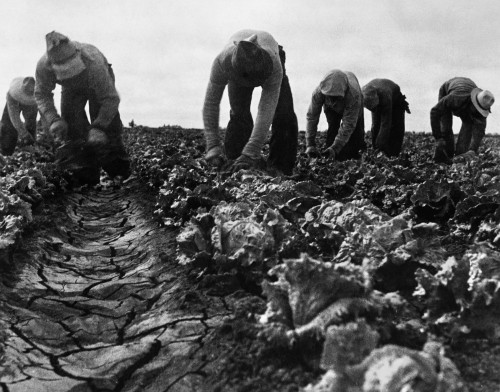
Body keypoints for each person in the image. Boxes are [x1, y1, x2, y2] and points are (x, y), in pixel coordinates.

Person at [35, 31, 130, 185]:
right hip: (70, 89)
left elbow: (110, 99)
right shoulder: (43, 66)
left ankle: (120, 173)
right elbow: (42, 94)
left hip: (96, 85)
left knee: (108, 128)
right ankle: (85, 176)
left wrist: (99, 127)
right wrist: (53, 119)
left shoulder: (94, 61)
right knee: (72, 127)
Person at [202, 29, 298, 175]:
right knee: (239, 114)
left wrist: (251, 151)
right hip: (237, 64)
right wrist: (213, 145)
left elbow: (266, 108)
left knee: (284, 114)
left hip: (270, 58)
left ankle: (280, 168)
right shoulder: (222, 62)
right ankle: (235, 162)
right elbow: (211, 103)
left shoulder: (274, 66)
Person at [430, 77, 494, 163]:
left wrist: (472, 150)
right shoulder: (455, 98)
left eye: (480, 111)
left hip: (466, 93)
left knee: (468, 125)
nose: (478, 113)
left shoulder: (483, 105)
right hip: (448, 90)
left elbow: (480, 131)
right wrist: (438, 137)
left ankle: (458, 157)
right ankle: (444, 158)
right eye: (477, 109)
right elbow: (434, 112)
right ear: (473, 102)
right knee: (446, 128)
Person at [305, 69, 366, 161]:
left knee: (356, 133)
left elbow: (349, 124)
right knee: (333, 127)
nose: (333, 102)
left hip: (352, 103)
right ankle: (330, 155)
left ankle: (354, 158)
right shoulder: (318, 92)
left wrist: (336, 147)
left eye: (335, 97)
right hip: (330, 108)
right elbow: (312, 117)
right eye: (329, 96)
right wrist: (310, 144)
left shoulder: (354, 95)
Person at [362, 78, 410, 157]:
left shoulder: (385, 95)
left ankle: (393, 155)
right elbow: (375, 125)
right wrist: (375, 147)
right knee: (376, 126)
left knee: (396, 129)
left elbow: (386, 123)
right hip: (376, 100)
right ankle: (377, 152)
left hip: (396, 100)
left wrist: (380, 144)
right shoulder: (363, 94)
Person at [0, 77, 38, 156]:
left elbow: (37, 119)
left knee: (31, 125)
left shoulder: (37, 97)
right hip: (13, 100)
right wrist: (24, 134)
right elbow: (14, 117)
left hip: (31, 104)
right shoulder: (12, 94)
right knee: (8, 125)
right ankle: (6, 152)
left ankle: (29, 152)